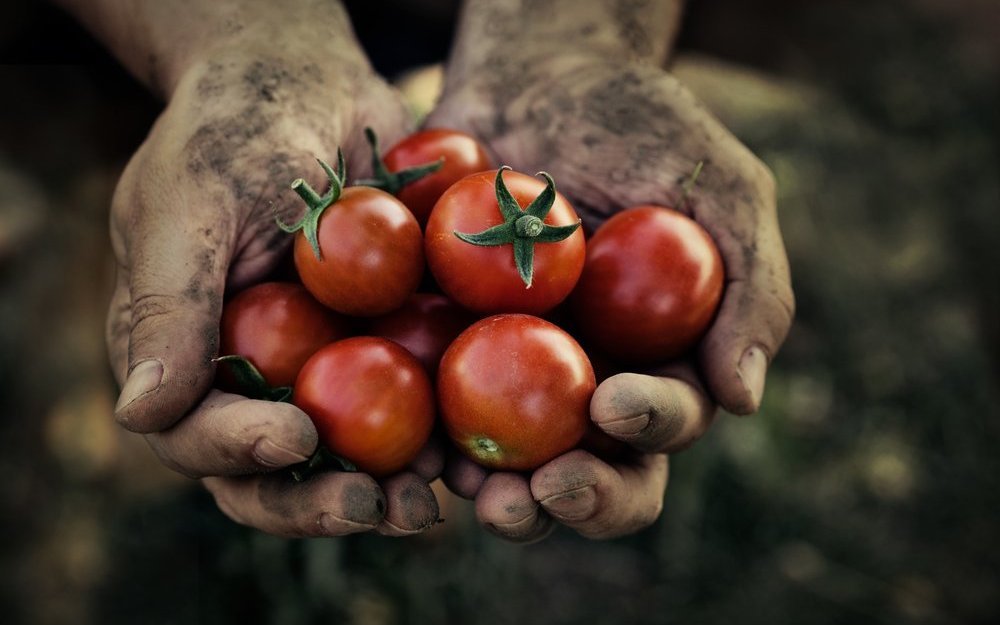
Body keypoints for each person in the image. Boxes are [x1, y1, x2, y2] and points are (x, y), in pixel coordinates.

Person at [55, 0, 794, 542]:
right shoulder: (449, 236)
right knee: (114, 181)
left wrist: (570, 39)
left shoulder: (484, 240)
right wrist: (241, 44)